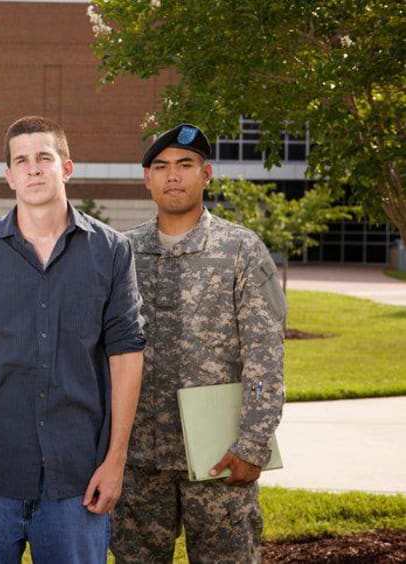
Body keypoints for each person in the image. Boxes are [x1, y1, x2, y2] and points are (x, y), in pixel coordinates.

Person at [0, 115, 145, 563]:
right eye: (22, 160)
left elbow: (126, 357)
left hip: (77, 479)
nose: (34, 168)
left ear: (67, 167)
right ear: (9, 176)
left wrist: (115, 460)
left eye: (45, 157)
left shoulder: (111, 251)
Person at [110, 123, 286, 563]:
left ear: (206, 174)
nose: (173, 176)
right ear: (147, 178)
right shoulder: (120, 253)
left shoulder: (240, 250)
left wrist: (253, 444)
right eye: (162, 166)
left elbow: (265, 358)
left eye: (185, 165)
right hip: (138, 459)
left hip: (218, 457)